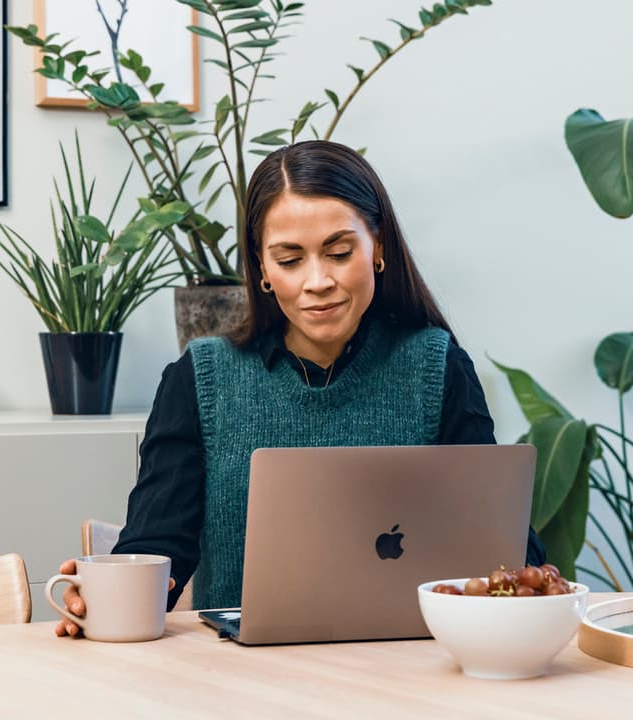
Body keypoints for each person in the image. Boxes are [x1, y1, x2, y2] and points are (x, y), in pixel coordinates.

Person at [54, 140, 544, 637]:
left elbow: (506, 552)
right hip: (244, 680)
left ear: (378, 249)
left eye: (339, 252)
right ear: (263, 271)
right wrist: (104, 597)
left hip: (411, 664)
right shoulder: (199, 379)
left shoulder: (436, 367)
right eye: (289, 260)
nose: (318, 281)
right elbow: (160, 545)